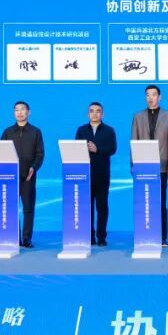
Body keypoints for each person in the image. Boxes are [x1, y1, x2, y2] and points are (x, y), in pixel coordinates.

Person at [130, 84, 168, 246]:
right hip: (142, 166)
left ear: (159, 97)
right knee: (143, 201)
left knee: (161, 202)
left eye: (154, 94)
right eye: (147, 95)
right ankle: (143, 234)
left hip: (161, 165)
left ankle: (162, 237)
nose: (150, 98)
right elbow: (133, 140)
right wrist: (133, 163)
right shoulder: (137, 116)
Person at [0, 101, 44, 248]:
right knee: (10, 208)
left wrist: (33, 168)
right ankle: (14, 237)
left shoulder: (36, 132)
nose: (19, 112)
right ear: (14, 113)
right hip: (10, 177)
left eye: (22, 109)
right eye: (16, 110)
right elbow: (0, 152)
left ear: (28, 112)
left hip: (28, 176)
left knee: (28, 208)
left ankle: (26, 238)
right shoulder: (8, 132)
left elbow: (40, 154)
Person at [75, 101, 117, 246]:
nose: (94, 113)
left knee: (102, 207)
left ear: (102, 114)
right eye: (91, 111)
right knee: (87, 207)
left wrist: (97, 149)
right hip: (85, 175)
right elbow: (75, 149)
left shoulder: (109, 130)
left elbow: (112, 149)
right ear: (88, 114)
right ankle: (89, 237)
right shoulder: (81, 130)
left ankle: (101, 237)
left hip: (102, 175)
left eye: (98, 111)